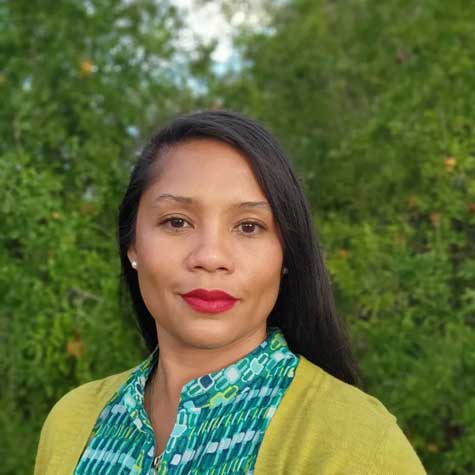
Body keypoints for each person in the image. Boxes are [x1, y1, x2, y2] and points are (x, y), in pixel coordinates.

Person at [34, 110, 426, 474]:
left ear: (286, 253)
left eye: (249, 226)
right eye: (176, 222)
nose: (210, 257)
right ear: (132, 244)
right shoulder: (72, 422)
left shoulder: (356, 441)